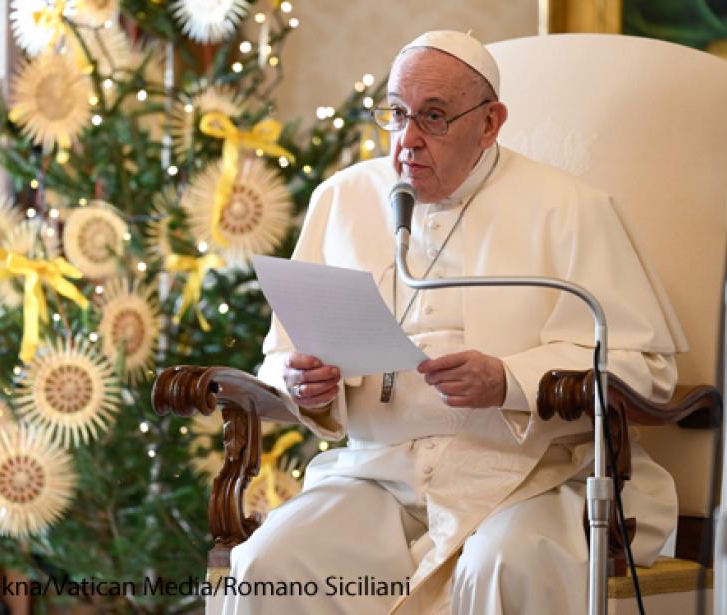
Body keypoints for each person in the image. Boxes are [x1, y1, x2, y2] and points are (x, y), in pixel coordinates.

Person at [223, 30, 685, 615]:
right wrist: (303, 385)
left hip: (535, 476)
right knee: (272, 564)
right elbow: (279, 353)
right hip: (379, 474)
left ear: (490, 122)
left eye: (434, 118)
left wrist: (510, 382)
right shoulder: (341, 199)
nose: (406, 142)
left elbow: (645, 369)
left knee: (501, 566)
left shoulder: (569, 208)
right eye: (396, 114)